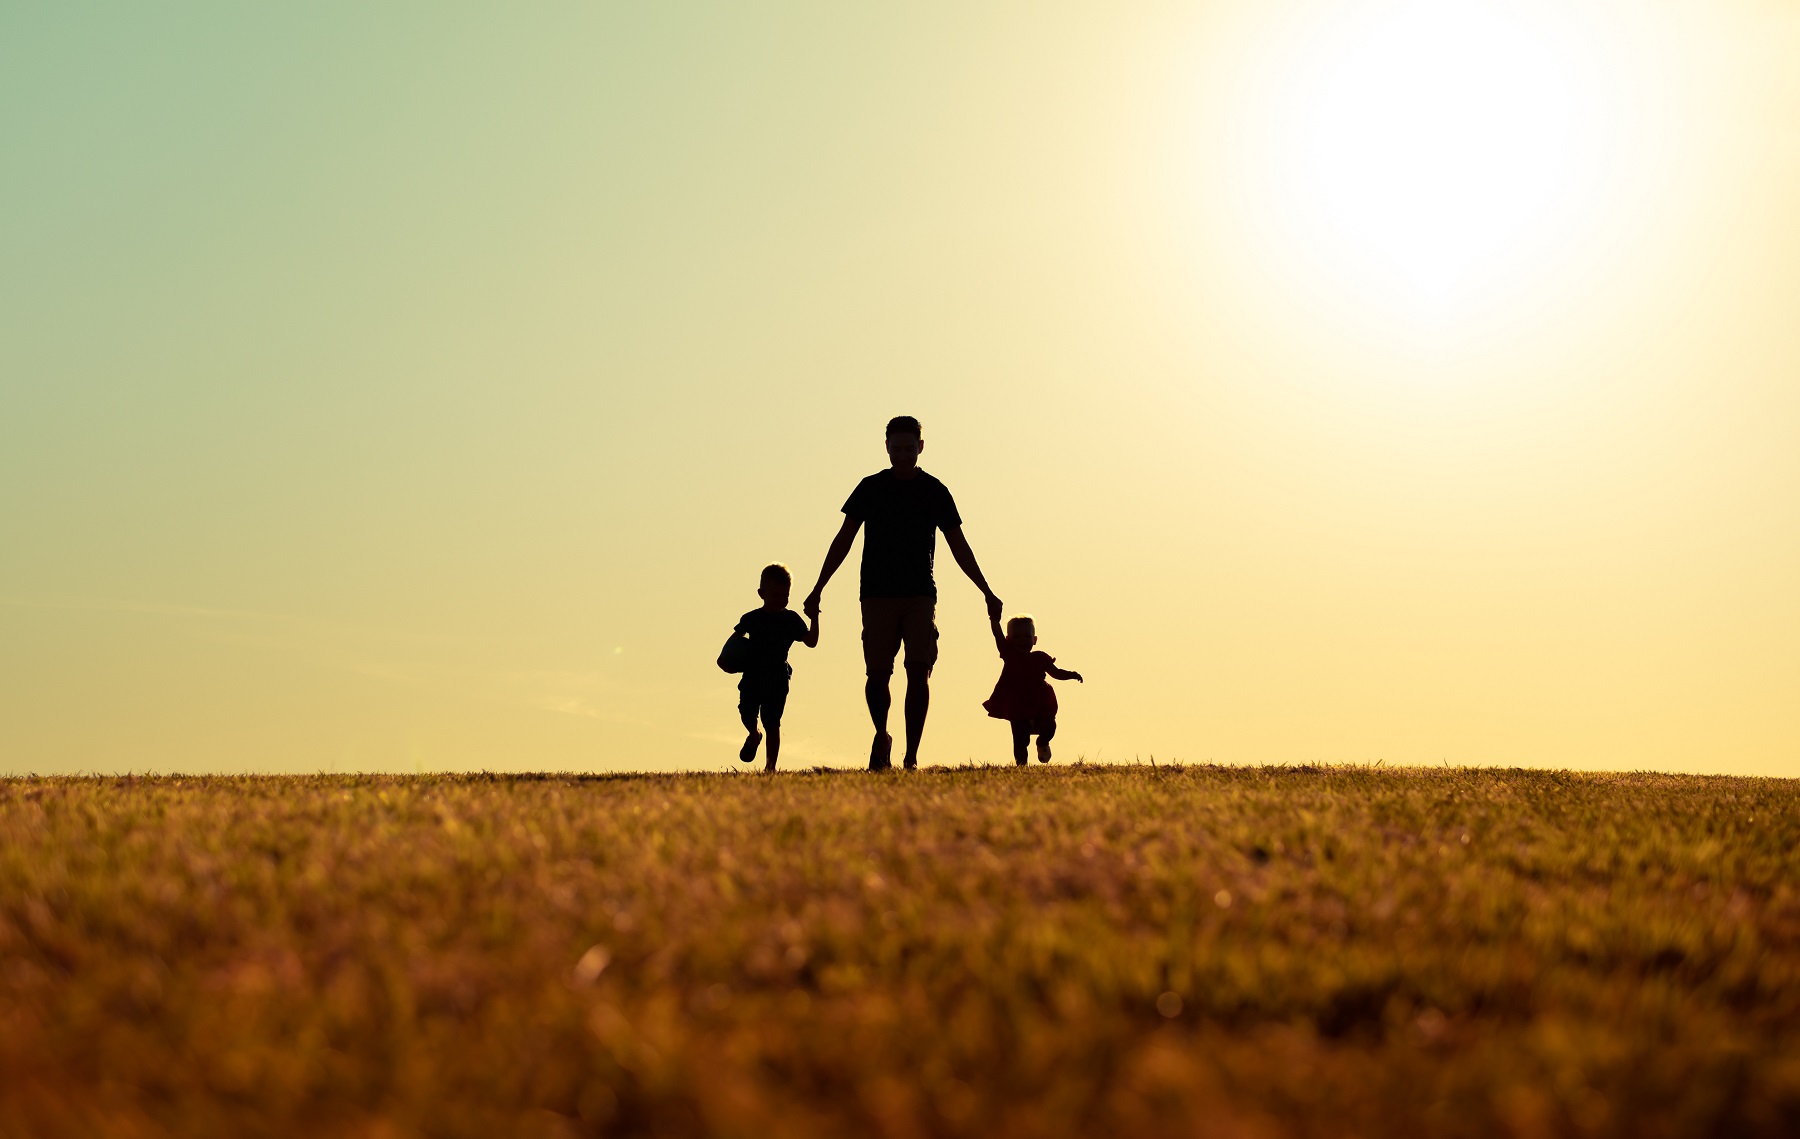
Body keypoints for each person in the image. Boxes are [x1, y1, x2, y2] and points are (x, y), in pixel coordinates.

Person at [803, 416, 1003, 770]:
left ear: (920, 448)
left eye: (909, 448)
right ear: (887, 449)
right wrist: (819, 586)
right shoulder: (869, 488)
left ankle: (911, 756)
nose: (903, 455)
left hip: (919, 594)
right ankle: (882, 734)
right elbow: (843, 540)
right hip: (876, 594)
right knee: (877, 675)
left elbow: (959, 545)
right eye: (896, 449)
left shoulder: (935, 491)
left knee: (918, 670)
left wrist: (986, 590)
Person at [734, 563, 819, 772]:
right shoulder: (751, 618)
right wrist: (725, 659)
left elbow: (811, 641)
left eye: (785, 596)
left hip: (777, 677)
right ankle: (754, 734)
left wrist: (815, 617)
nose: (781, 600)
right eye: (775, 595)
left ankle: (770, 768)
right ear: (761, 593)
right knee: (746, 712)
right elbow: (734, 641)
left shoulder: (790, 619)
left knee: (772, 721)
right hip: (752, 674)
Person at [983, 614, 1083, 765]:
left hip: (1040, 703)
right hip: (1017, 704)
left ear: (1034, 639)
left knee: (1049, 727)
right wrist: (994, 619)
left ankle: (1042, 742)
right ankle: (1021, 765)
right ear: (1008, 640)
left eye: (1026, 636)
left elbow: (1056, 673)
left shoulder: (1040, 657)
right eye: (1016, 637)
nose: (1022, 640)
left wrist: (1071, 675)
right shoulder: (1009, 654)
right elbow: (997, 634)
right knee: (1020, 737)